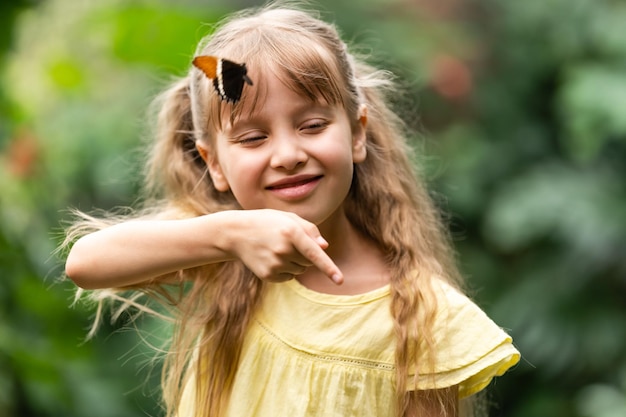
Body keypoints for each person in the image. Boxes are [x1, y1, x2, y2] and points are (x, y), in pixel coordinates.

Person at [63, 3, 520, 417]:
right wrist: (229, 237)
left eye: (313, 125)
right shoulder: (224, 249)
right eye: (252, 138)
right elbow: (85, 262)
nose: (286, 154)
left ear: (357, 134)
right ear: (214, 163)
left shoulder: (422, 314)